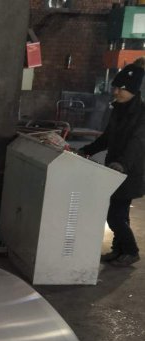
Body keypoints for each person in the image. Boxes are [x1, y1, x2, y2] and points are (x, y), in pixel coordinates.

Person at [80, 57, 145, 267]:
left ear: (133, 90)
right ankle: (119, 249)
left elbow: (137, 143)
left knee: (114, 216)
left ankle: (131, 251)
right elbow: (107, 138)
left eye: (121, 89)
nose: (116, 92)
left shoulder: (141, 114)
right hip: (114, 169)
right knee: (120, 213)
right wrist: (86, 150)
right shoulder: (119, 110)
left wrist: (122, 165)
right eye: (115, 87)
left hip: (128, 171)